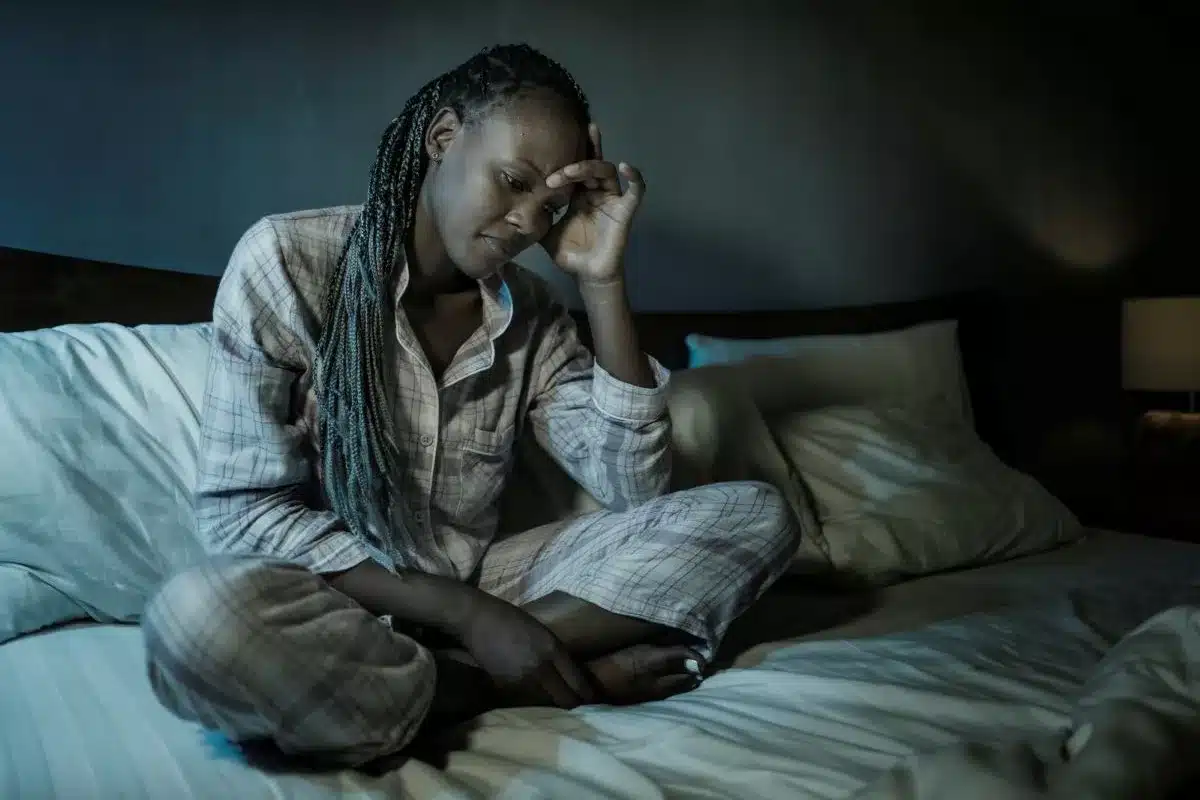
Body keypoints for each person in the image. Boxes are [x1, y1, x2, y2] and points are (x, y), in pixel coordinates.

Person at [142, 43, 798, 768]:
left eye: (549, 207)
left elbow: (635, 487)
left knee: (756, 514)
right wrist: (468, 615)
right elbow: (244, 514)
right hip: (333, 598)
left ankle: (456, 680)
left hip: (491, 583)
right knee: (196, 622)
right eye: (513, 181)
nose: (526, 222)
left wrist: (601, 282)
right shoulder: (289, 262)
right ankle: (503, 680)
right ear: (443, 138)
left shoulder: (538, 314)